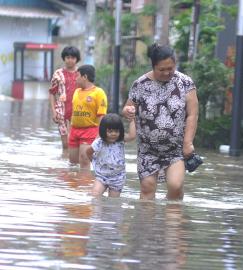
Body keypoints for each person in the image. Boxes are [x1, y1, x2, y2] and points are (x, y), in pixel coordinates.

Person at [122, 43, 199, 200]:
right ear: (153, 66)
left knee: (175, 186)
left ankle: (171, 222)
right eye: (161, 69)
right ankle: (149, 223)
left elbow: (192, 114)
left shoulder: (185, 83)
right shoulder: (140, 84)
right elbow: (128, 107)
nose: (166, 73)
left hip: (175, 148)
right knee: (147, 188)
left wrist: (188, 142)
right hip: (148, 149)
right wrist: (128, 111)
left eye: (170, 68)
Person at [86, 113, 136, 197]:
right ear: (103, 130)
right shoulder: (99, 142)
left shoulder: (121, 140)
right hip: (101, 176)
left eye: (116, 131)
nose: (113, 134)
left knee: (113, 204)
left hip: (117, 177)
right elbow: (88, 152)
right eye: (110, 131)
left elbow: (132, 136)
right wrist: (94, 161)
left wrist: (132, 120)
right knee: (94, 196)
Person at [69, 65, 108, 169]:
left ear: (84, 77)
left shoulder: (99, 93)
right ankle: (73, 184)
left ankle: (85, 184)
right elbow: (73, 112)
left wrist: (99, 135)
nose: (76, 79)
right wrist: (70, 131)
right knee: (72, 163)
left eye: (77, 76)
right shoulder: (76, 91)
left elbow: (102, 115)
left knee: (84, 160)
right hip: (74, 130)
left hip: (89, 131)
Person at [49, 46, 80, 149]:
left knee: (74, 143)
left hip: (78, 112)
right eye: (67, 57)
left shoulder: (81, 74)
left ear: (77, 59)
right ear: (64, 58)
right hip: (61, 111)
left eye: (73, 58)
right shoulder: (58, 74)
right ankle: (64, 162)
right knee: (65, 144)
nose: (70, 60)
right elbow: (52, 93)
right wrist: (54, 111)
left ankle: (73, 164)